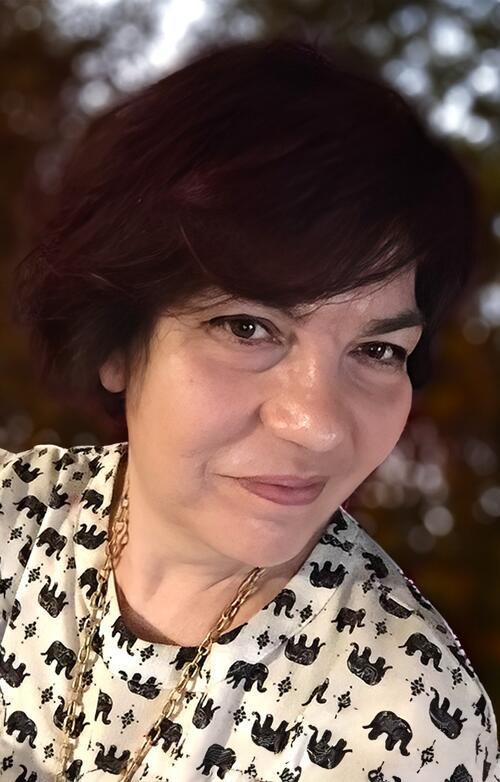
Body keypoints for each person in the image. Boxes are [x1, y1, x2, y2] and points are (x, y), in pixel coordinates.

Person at [1, 35, 498, 782]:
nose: (318, 424)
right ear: (116, 342)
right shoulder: (14, 518)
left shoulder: (401, 720)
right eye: (247, 327)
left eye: (377, 350)